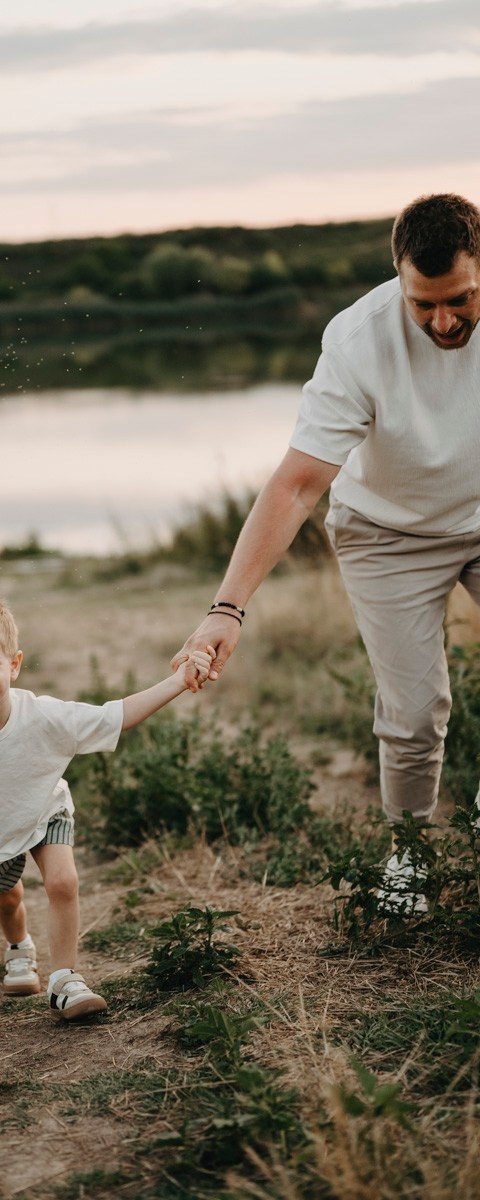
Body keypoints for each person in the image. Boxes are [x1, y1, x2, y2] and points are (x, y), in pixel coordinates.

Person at [173, 192, 480, 905]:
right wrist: (227, 608)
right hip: (387, 534)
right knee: (413, 711)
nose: (442, 320)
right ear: (398, 279)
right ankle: (410, 857)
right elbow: (297, 487)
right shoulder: (358, 340)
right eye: (422, 303)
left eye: (461, 299)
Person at [0, 590, 212, 1020]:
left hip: (46, 811)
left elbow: (116, 715)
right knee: (7, 898)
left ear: (14, 664)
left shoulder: (44, 717)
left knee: (62, 882)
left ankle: (65, 980)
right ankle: (19, 947)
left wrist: (179, 681)